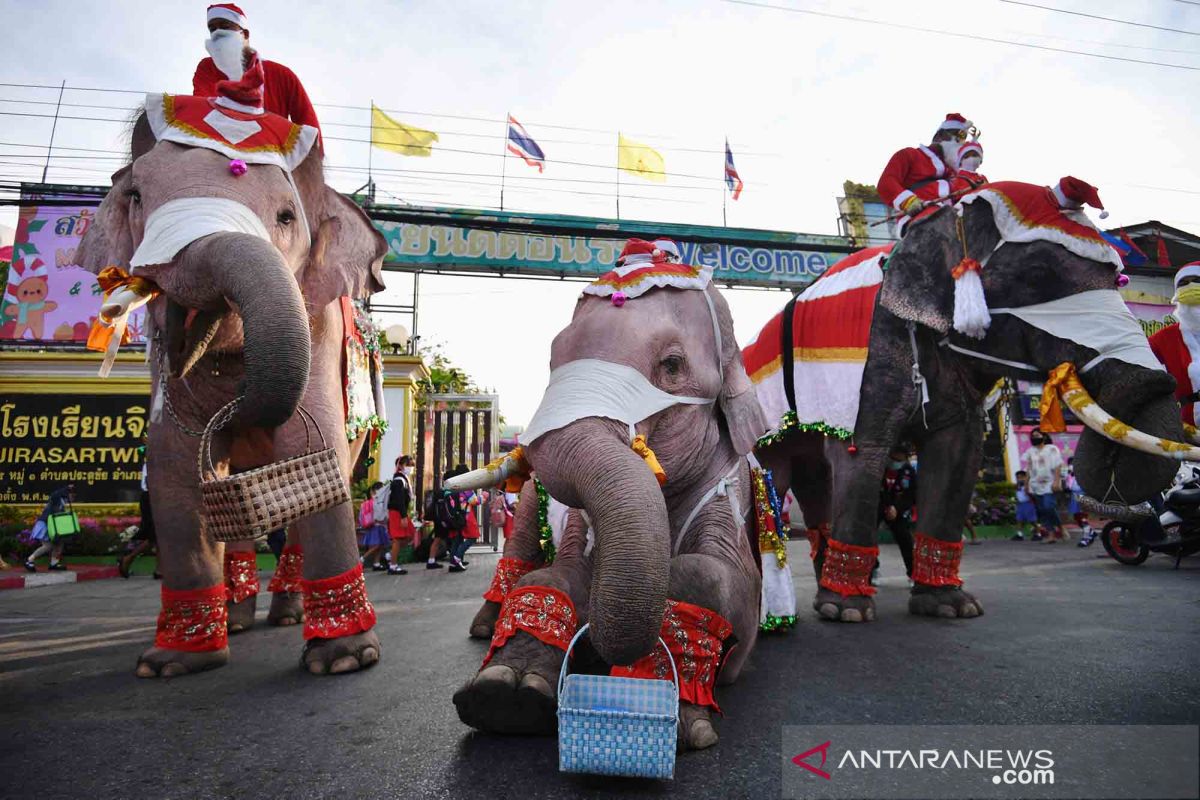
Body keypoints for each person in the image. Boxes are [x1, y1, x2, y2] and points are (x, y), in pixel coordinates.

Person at [192, 3, 322, 145]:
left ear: (245, 34)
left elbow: (309, 126)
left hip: (271, 155)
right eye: (212, 29)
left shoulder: (282, 74)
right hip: (218, 148)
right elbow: (203, 107)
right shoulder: (207, 68)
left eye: (225, 26)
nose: (217, 33)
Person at [877, 113, 977, 232]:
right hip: (917, 219)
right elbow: (886, 183)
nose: (960, 145)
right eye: (957, 139)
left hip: (953, 219)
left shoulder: (955, 173)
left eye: (963, 142)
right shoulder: (909, 155)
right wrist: (908, 202)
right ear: (940, 136)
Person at [1149, 262, 1200, 428]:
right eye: (1183, 283)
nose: (1191, 287)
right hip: (1187, 430)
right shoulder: (1164, 337)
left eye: (1197, 280)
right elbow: (1135, 361)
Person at [876, 443, 917, 580]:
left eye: (899, 460)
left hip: (898, 510)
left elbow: (911, 495)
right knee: (868, 538)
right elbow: (876, 490)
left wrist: (896, 508)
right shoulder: (879, 469)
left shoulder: (908, 472)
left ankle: (913, 573)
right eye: (894, 459)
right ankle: (871, 571)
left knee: (905, 540)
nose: (896, 463)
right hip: (879, 507)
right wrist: (886, 506)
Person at [1020, 430, 1065, 542]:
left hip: (1050, 484)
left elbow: (1058, 465)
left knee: (1049, 506)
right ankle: (1051, 534)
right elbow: (1029, 468)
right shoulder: (1030, 451)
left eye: (1037, 435)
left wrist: (1056, 481)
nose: (1034, 438)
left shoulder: (1051, 449)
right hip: (1035, 485)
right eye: (1033, 436)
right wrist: (1026, 484)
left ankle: (1060, 527)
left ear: (1044, 437)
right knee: (1042, 510)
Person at [119, 461, 161, 579]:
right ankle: (128, 558)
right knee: (155, 536)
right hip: (151, 497)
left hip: (156, 497)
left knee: (159, 536)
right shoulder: (152, 460)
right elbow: (149, 482)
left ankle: (159, 570)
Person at [24, 484, 75, 572]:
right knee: (47, 546)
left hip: (52, 526)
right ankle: (29, 560)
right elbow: (55, 494)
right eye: (72, 495)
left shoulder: (62, 505)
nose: (73, 498)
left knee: (59, 543)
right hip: (44, 524)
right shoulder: (56, 499)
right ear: (67, 494)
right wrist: (66, 488)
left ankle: (54, 563)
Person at [387, 456, 418, 575]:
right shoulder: (399, 480)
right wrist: (403, 516)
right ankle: (393, 566)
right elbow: (399, 499)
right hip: (397, 512)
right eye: (408, 465)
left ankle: (390, 556)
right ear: (400, 465)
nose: (410, 468)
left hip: (400, 511)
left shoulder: (403, 479)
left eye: (412, 465)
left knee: (410, 533)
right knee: (397, 539)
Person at [358, 482, 391, 573]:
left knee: (379, 545)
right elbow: (381, 515)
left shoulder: (368, 502)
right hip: (377, 526)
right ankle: (362, 559)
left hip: (373, 526)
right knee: (377, 545)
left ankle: (376, 563)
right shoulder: (377, 502)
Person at [1066, 458, 1098, 547]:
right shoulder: (1070, 473)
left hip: (1082, 494)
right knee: (1077, 516)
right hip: (1074, 494)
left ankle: (1086, 537)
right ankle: (1091, 531)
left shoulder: (1084, 471)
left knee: (1082, 516)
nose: (1071, 466)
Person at [1012, 469, 1037, 541]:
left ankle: (1038, 533)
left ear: (1025, 477)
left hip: (1028, 504)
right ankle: (1019, 534)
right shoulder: (1018, 487)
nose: (1019, 479)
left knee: (1032, 520)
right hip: (1020, 504)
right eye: (1017, 478)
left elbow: (1032, 495)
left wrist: (1028, 492)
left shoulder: (1029, 485)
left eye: (1021, 477)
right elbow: (1017, 495)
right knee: (1019, 519)